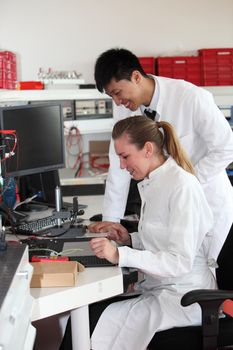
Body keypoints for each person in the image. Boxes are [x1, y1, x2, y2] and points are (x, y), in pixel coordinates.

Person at [89, 48, 233, 264]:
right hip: (162, 212)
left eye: (118, 93)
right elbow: (118, 167)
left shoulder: (191, 97)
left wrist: (186, 186)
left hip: (206, 205)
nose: (117, 102)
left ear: (136, 77)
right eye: (111, 96)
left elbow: (226, 147)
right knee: (162, 267)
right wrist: (111, 223)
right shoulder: (124, 108)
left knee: (203, 277)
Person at [88, 115, 216, 350]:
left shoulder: (181, 186)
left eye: (125, 157)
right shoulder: (154, 181)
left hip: (185, 297)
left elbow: (179, 261)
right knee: (91, 314)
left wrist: (120, 255)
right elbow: (162, 240)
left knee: (92, 321)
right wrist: (128, 239)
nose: (122, 166)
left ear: (148, 149)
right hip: (162, 288)